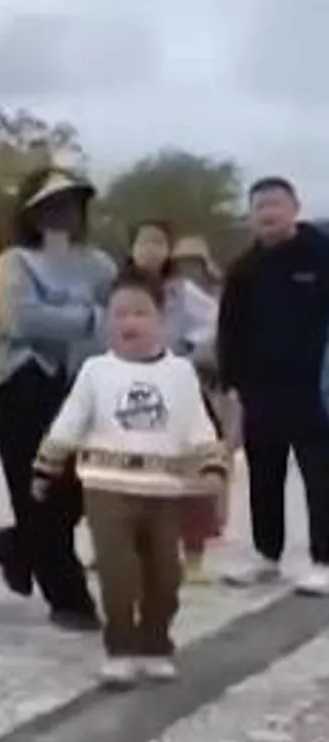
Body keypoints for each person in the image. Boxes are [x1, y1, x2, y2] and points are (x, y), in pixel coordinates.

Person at [31, 271, 228, 687]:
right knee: (117, 573)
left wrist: (212, 467)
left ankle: (155, 643)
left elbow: (198, 425)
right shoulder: (95, 371)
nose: (129, 322)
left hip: (165, 490)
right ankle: (120, 648)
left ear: (161, 320)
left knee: (165, 575)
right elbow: (69, 423)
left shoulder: (180, 373)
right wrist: (47, 466)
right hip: (107, 488)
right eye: (120, 313)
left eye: (140, 312)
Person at [0, 169, 115, 630]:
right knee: (35, 488)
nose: (61, 214)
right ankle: (68, 598)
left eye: (70, 204)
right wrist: (86, 318)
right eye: (50, 205)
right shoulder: (15, 261)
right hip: (23, 382)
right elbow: (16, 320)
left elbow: (116, 319)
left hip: (81, 383)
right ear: (31, 213)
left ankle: (17, 544)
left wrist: (71, 319)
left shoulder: (99, 265)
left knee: (78, 486)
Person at [217, 176, 329, 593]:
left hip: (314, 389)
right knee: (264, 475)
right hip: (260, 390)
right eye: (259, 206)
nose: (267, 213)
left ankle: (324, 559)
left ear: (294, 207)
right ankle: (267, 554)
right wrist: (232, 383)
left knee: (320, 475)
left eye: (275, 204)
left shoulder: (321, 255)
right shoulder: (244, 269)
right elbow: (229, 329)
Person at [163, 234, 228, 577]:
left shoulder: (187, 293)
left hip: (192, 387)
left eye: (195, 262)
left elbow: (216, 325)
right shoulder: (127, 286)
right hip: (140, 390)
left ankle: (194, 554)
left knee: (197, 473)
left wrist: (189, 351)